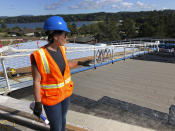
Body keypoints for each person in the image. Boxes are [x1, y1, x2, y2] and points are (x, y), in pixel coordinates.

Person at [30, 16, 91, 131]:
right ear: (55, 36)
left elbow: (63, 66)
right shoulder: (39, 55)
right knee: (56, 127)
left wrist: (80, 62)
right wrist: (38, 103)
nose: (66, 37)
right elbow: (36, 81)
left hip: (65, 95)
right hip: (51, 100)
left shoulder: (61, 49)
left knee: (63, 120)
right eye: (64, 34)